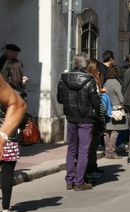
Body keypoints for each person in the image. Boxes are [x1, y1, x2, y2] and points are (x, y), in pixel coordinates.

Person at [57, 52, 101, 191]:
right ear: (86, 64)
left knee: (71, 149)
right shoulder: (89, 79)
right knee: (83, 150)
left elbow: (60, 99)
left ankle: (69, 180)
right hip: (86, 118)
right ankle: (79, 181)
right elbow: (95, 101)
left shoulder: (64, 79)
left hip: (71, 117)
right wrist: (99, 113)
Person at [0, 61, 27, 212]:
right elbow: (20, 112)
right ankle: (6, 208)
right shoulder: (17, 92)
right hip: (8, 135)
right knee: (7, 172)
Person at [85, 59, 107, 180]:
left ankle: (93, 165)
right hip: (93, 114)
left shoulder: (95, 80)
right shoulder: (91, 80)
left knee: (94, 141)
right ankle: (89, 167)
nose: (99, 72)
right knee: (91, 143)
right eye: (97, 69)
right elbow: (93, 98)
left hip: (95, 114)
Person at [104, 65, 129, 159]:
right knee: (115, 131)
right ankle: (111, 152)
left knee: (107, 131)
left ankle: (107, 151)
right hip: (116, 109)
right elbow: (121, 97)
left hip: (107, 109)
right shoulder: (116, 83)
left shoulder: (106, 82)